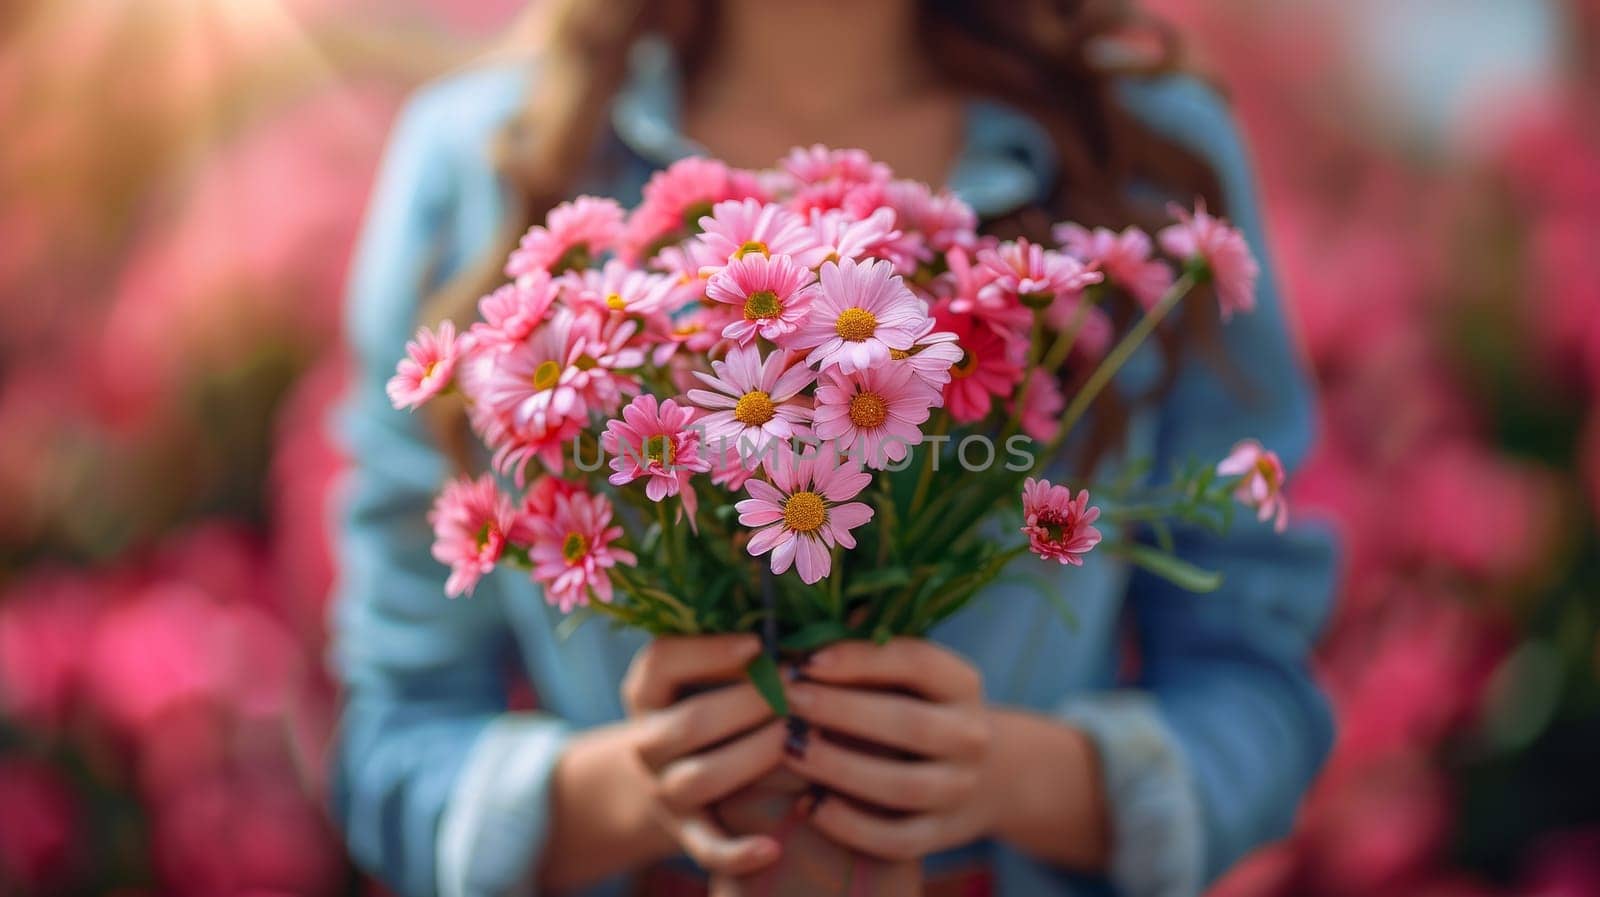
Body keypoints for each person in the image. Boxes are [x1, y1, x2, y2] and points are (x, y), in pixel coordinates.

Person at [330, 2, 1337, 896]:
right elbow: (392, 735)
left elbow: (1259, 686)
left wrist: (1017, 778)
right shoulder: (475, 161)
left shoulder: (1141, 148)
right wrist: (621, 795)